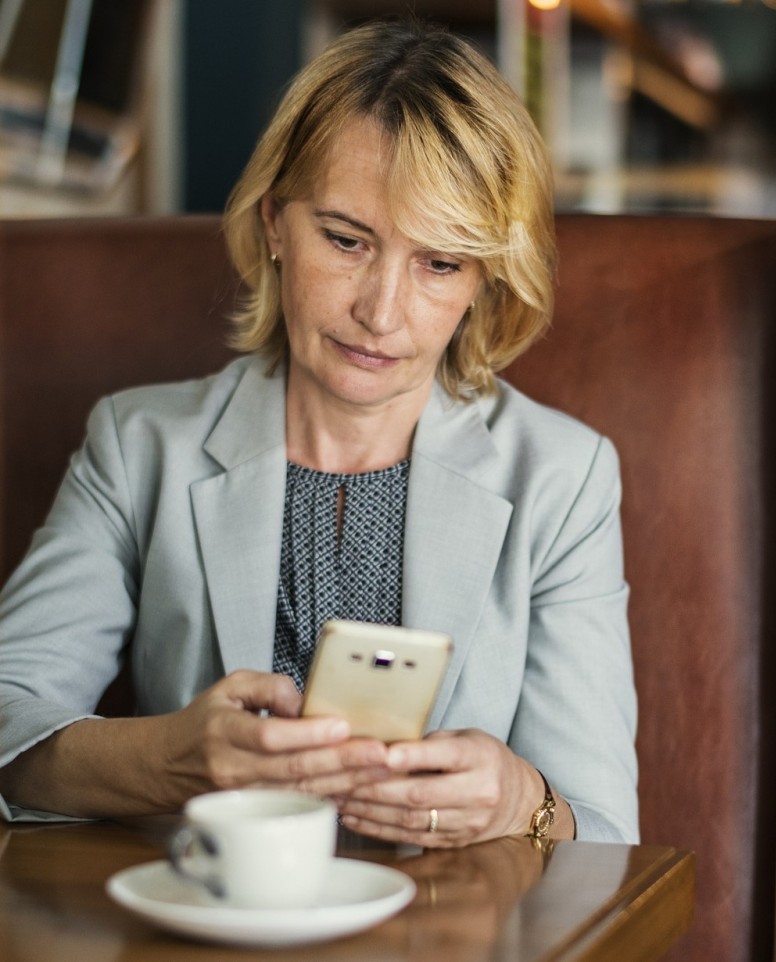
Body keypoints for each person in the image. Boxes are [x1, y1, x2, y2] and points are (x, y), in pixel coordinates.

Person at [0, 18, 638, 847]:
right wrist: (170, 758)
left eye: (439, 263)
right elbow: (8, 719)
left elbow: (607, 833)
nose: (381, 311)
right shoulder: (139, 446)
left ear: (484, 281)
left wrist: (523, 802)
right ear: (273, 223)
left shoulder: (563, 477)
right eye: (346, 240)